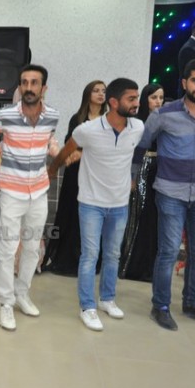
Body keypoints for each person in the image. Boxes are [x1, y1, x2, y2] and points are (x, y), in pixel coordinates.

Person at [49, 78, 143, 332]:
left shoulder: (138, 127)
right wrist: (51, 171)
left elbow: (134, 154)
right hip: (91, 203)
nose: (136, 103)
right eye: (131, 99)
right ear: (114, 102)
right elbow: (66, 151)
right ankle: (87, 307)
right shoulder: (87, 130)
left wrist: (132, 178)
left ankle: (107, 299)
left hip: (120, 204)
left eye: (136, 98)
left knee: (112, 254)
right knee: (90, 255)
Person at [0, 64, 59, 331]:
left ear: (43, 88)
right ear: (20, 86)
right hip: (11, 191)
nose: (29, 87)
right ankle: (6, 303)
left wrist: (55, 149)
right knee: (8, 250)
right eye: (24, 82)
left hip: (39, 191)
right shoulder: (5, 115)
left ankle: (22, 293)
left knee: (32, 248)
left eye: (34, 83)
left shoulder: (52, 116)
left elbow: (50, 140)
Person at [135, 58, 195, 331]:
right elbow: (141, 145)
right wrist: (131, 178)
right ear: (185, 83)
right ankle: (161, 306)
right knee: (168, 251)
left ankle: (192, 302)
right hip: (170, 193)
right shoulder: (164, 114)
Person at [43, 80, 107, 276]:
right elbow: (69, 142)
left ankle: (91, 259)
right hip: (76, 172)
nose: (100, 94)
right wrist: (75, 153)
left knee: (94, 215)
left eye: (103, 91)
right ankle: (68, 257)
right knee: (72, 212)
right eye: (96, 91)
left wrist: (84, 152)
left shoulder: (108, 120)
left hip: (97, 172)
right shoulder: (77, 118)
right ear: (88, 94)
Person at [118, 84, 164, 281]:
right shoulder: (137, 122)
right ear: (145, 99)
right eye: (154, 97)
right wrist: (132, 177)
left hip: (161, 171)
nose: (158, 102)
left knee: (155, 218)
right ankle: (131, 267)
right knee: (138, 215)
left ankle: (150, 268)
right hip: (142, 169)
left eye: (161, 98)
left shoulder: (166, 120)